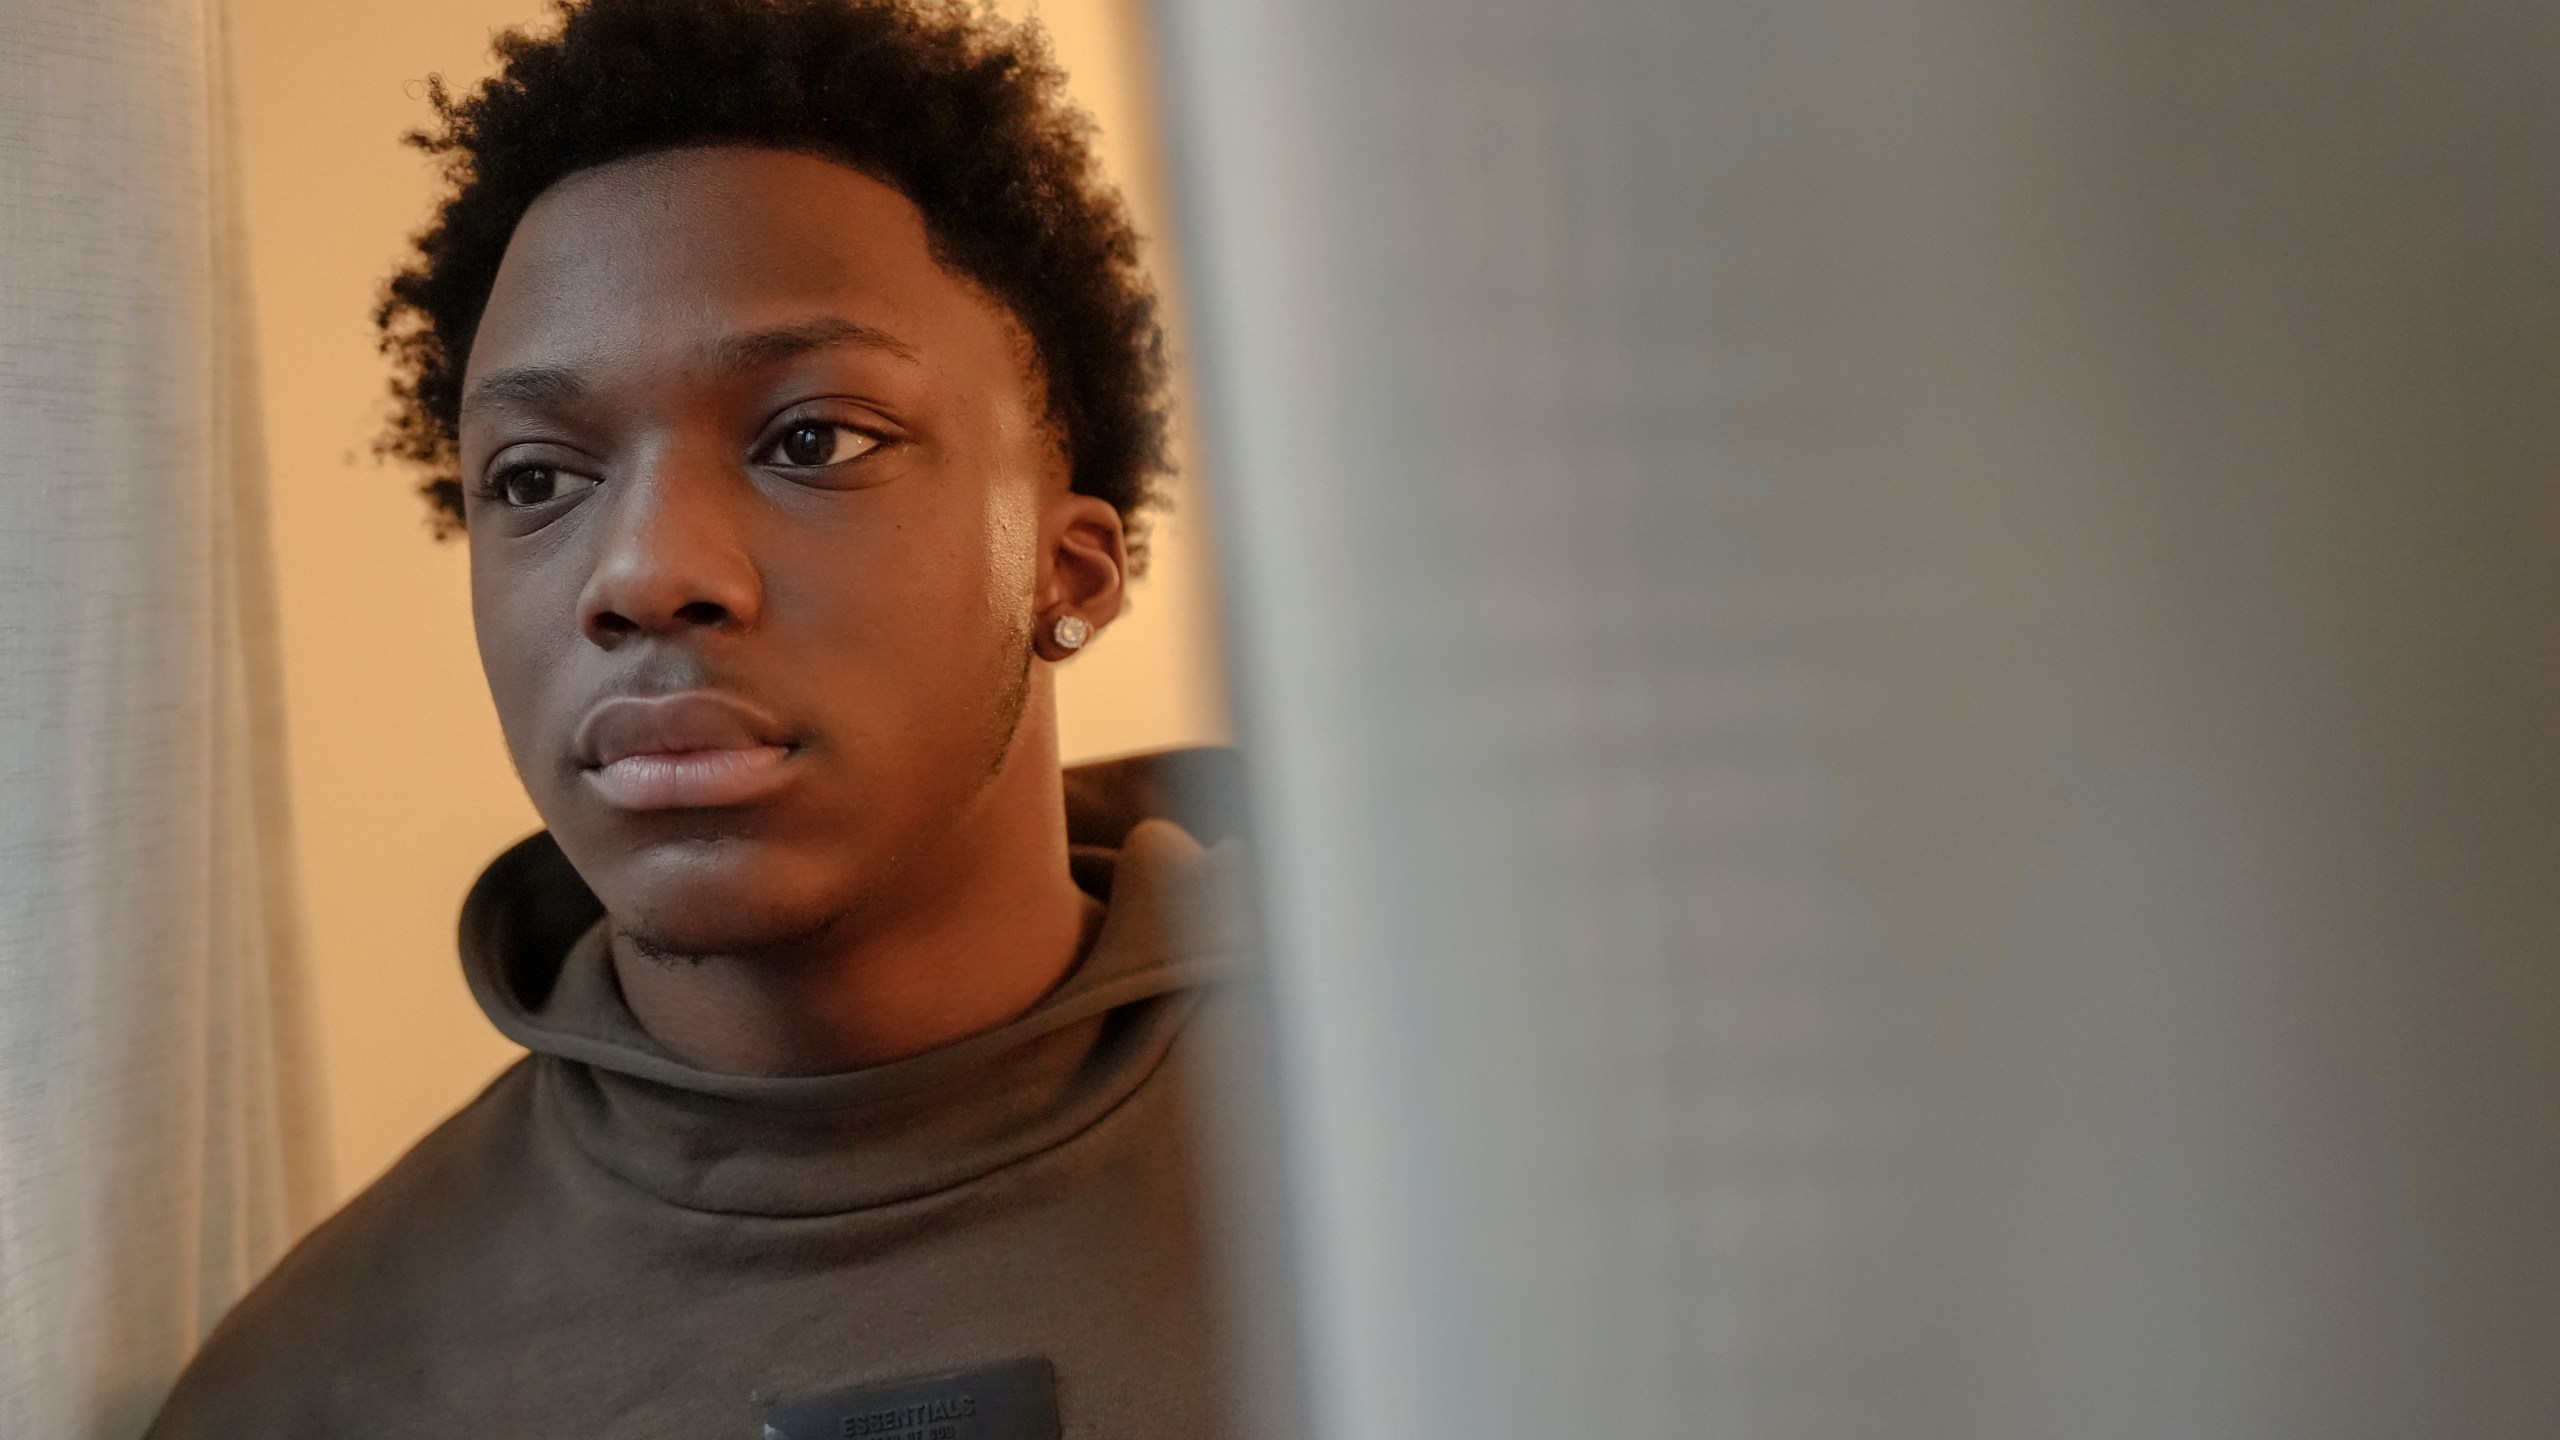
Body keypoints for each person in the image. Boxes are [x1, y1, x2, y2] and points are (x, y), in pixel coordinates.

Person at [146, 0, 1246, 1434]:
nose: (647, 572)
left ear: (1069, 567)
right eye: (536, 480)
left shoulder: (1492, 1150)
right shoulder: (316, 1391)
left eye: (815, 440)